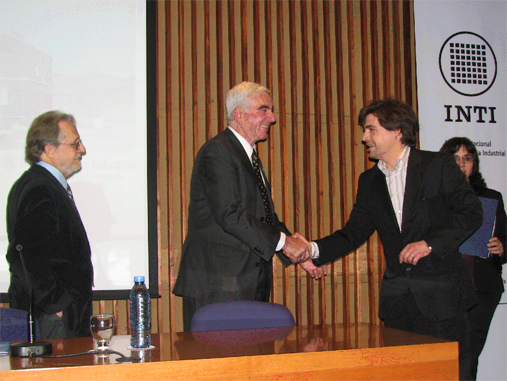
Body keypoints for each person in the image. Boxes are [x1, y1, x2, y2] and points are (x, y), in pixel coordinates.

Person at [296, 98, 483, 380]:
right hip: (399, 305)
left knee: (454, 375)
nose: (364, 138)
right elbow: (352, 233)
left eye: (370, 129)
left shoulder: (437, 165)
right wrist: (310, 249)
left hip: (443, 300)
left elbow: (471, 213)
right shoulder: (369, 181)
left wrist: (429, 243)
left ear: (396, 130)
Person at [173, 81, 321, 332]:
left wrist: (299, 253)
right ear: (238, 114)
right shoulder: (218, 152)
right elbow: (230, 215)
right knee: (220, 369)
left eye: (271, 110)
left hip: (245, 284)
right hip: (218, 286)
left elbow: (265, 217)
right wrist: (286, 243)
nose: (272, 118)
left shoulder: (247, 156)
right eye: (264, 110)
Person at [6, 111, 93, 339]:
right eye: (75, 144)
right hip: (52, 319)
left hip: (54, 316)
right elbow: (25, 257)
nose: (82, 149)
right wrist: (57, 307)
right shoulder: (40, 189)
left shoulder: (42, 184)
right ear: (50, 149)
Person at [440, 137, 506, 380]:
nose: (461, 163)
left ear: (474, 164)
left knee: (469, 353)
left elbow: (505, 240)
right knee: (448, 353)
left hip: (482, 289)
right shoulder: (434, 200)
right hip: (445, 289)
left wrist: (501, 247)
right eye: (455, 158)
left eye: (467, 158)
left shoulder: (491, 198)